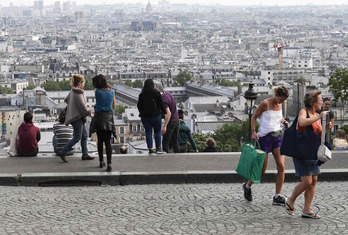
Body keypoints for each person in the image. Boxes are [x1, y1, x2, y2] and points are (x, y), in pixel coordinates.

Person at [243, 85, 289, 204]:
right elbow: (254, 117)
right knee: (261, 170)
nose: (282, 102)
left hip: (277, 136)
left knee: (281, 166)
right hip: (264, 138)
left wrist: (284, 122)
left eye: (284, 100)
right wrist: (253, 132)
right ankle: (247, 186)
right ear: (276, 95)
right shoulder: (265, 103)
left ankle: (277, 195)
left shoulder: (281, 104)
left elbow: (280, 118)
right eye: (281, 99)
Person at [285, 91, 324, 219]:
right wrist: (318, 118)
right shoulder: (304, 112)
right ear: (313, 103)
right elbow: (301, 122)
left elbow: (316, 133)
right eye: (320, 100)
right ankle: (290, 199)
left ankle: (307, 209)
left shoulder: (317, 114)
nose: (322, 102)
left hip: (312, 152)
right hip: (301, 151)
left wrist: (326, 126)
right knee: (307, 181)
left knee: (313, 181)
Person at [57, 74, 95, 163]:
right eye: (83, 83)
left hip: (76, 116)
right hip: (77, 117)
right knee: (77, 137)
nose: (84, 85)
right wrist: (90, 113)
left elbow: (67, 100)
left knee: (84, 136)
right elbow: (83, 106)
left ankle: (85, 154)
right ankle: (63, 151)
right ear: (79, 83)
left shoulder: (72, 91)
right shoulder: (78, 93)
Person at [92, 74, 116, 172]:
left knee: (100, 141)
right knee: (108, 142)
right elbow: (114, 105)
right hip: (109, 117)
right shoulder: (112, 91)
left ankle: (101, 161)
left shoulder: (97, 92)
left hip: (99, 117)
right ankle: (109, 163)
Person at [137, 79, 167, 154]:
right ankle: (158, 147)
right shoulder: (157, 94)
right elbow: (161, 104)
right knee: (157, 132)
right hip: (156, 115)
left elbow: (139, 106)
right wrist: (164, 112)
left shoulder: (141, 95)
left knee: (148, 132)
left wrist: (141, 112)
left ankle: (150, 148)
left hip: (145, 117)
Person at [159, 86, 180, 153]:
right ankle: (177, 154)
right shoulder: (168, 94)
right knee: (175, 140)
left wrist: (164, 126)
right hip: (176, 119)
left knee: (165, 140)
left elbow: (168, 113)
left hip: (171, 121)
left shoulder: (163, 100)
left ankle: (166, 157)